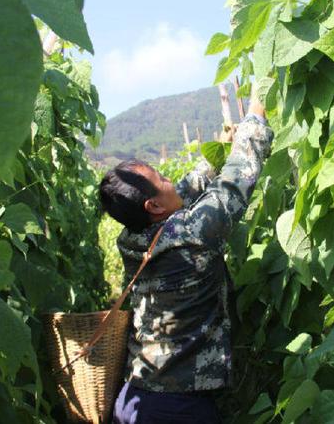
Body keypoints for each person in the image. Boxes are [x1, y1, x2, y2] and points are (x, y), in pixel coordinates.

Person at [98, 94, 272, 423]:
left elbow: (181, 191)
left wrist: (217, 149)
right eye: (161, 179)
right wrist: (255, 118)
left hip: (133, 397)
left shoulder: (132, 238)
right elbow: (235, 183)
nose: (169, 180)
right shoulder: (193, 233)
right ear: (153, 207)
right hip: (177, 408)